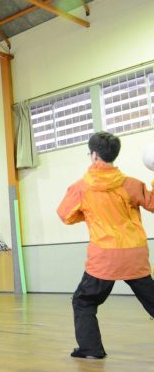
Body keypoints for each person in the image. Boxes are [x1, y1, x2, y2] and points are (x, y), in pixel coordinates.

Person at [58, 131, 154, 359]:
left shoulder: (80, 188)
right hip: (134, 254)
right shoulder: (132, 184)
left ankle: (91, 349)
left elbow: (65, 215)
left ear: (94, 155)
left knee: (83, 301)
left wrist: (89, 214)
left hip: (104, 257)